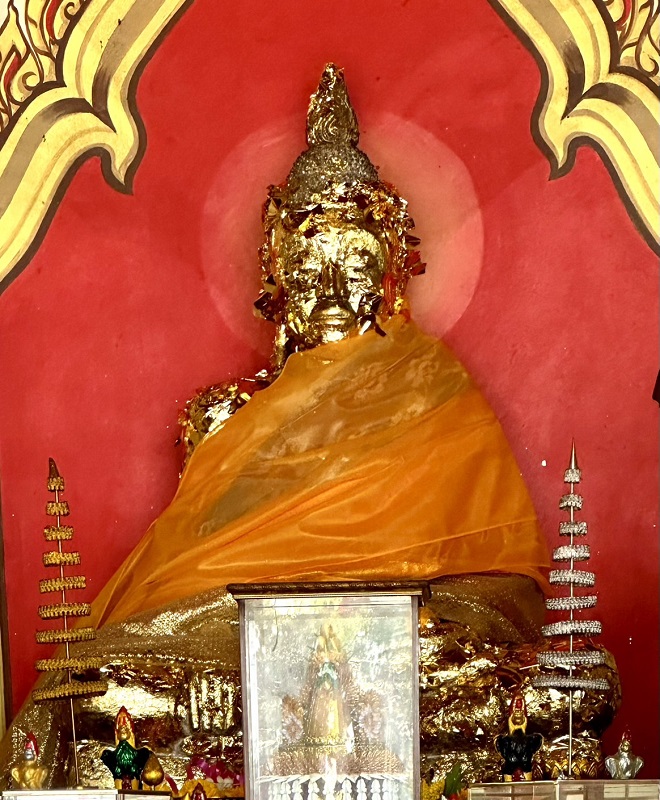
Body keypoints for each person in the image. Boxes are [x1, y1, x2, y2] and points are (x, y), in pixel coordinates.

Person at [1, 64, 572, 788]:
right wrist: (255, 648)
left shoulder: (438, 397)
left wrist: (407, 629)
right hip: (233, 649)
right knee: (95, 686)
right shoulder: (222, 417)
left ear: (392, 274)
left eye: (354, 262)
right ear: (277, 278)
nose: (331, 289)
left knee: (561, 688)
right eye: (310, 265)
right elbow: (189, 597)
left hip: (408, 651)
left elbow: (506, 597)